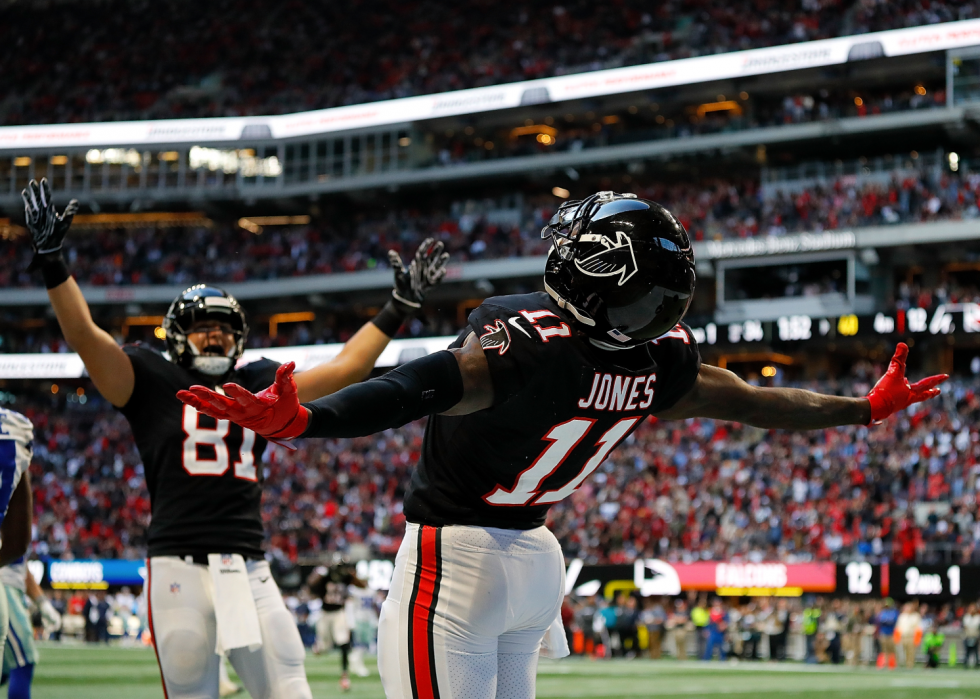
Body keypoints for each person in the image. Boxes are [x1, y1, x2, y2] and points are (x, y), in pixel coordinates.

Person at [182, 190, 948, 699]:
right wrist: (860, 410)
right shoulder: (660, 358)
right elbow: (753, 402)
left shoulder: (527, 340)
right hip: (536, 560)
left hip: (455, 563)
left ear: (592, 274)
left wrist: (308, 422)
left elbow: (410, 388)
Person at [20, 177, 449, 699]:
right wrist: (52, 263)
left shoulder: (258, 378)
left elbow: (346, 368)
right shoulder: (147, 375)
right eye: (203, 326)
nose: (215, 334)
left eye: (223, 326)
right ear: (178, 334)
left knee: (290, 685)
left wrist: (398, 307)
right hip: (176, 559)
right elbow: (86, 337)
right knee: (190, 686)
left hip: (248, 563)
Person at [0, 561, 61, 699]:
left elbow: (20, 562)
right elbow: (16, 547)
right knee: (23, 659)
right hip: (4, 587)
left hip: (12, 588)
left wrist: (43, 602)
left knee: (5, 670)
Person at [307, 555, 367, 691]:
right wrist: (321, 573)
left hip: (340, 612)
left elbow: (363, 585)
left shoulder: (346, 577)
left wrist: (353, 575)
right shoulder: (325, 576)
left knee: (343, 642)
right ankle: (319, 647)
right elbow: (311, 586)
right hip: (325, 613)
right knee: (324, 648)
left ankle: (344, 675)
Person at [896, 601, 921, 668]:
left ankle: (910, 665)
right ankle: (901, 664)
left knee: (911, 652)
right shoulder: (902, 616)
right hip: (903, 636)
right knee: (902, 651)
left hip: (911, 636)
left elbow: (918, 628)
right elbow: (898, 627)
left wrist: (917, 638)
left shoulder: (916, 616)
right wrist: (897, 637)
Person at [877, 599, 899, 669]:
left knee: (892, 650)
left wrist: (887, 621)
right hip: (884, 634)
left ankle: (892, 665)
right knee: (884, 650)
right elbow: (881, 621)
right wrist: (887, 621)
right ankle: (885, 664)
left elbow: (893, 621)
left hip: (891, 634)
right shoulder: (883, 612)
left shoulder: (894, 612)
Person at [963, 603, 980, 668]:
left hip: (975, 637)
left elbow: (977, 627)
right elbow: (966, 627)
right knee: (967, 651)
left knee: (975, 652)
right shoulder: (967, 617)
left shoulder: (978, 617)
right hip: (967, 636)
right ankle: (965, 664)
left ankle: (976, 665)